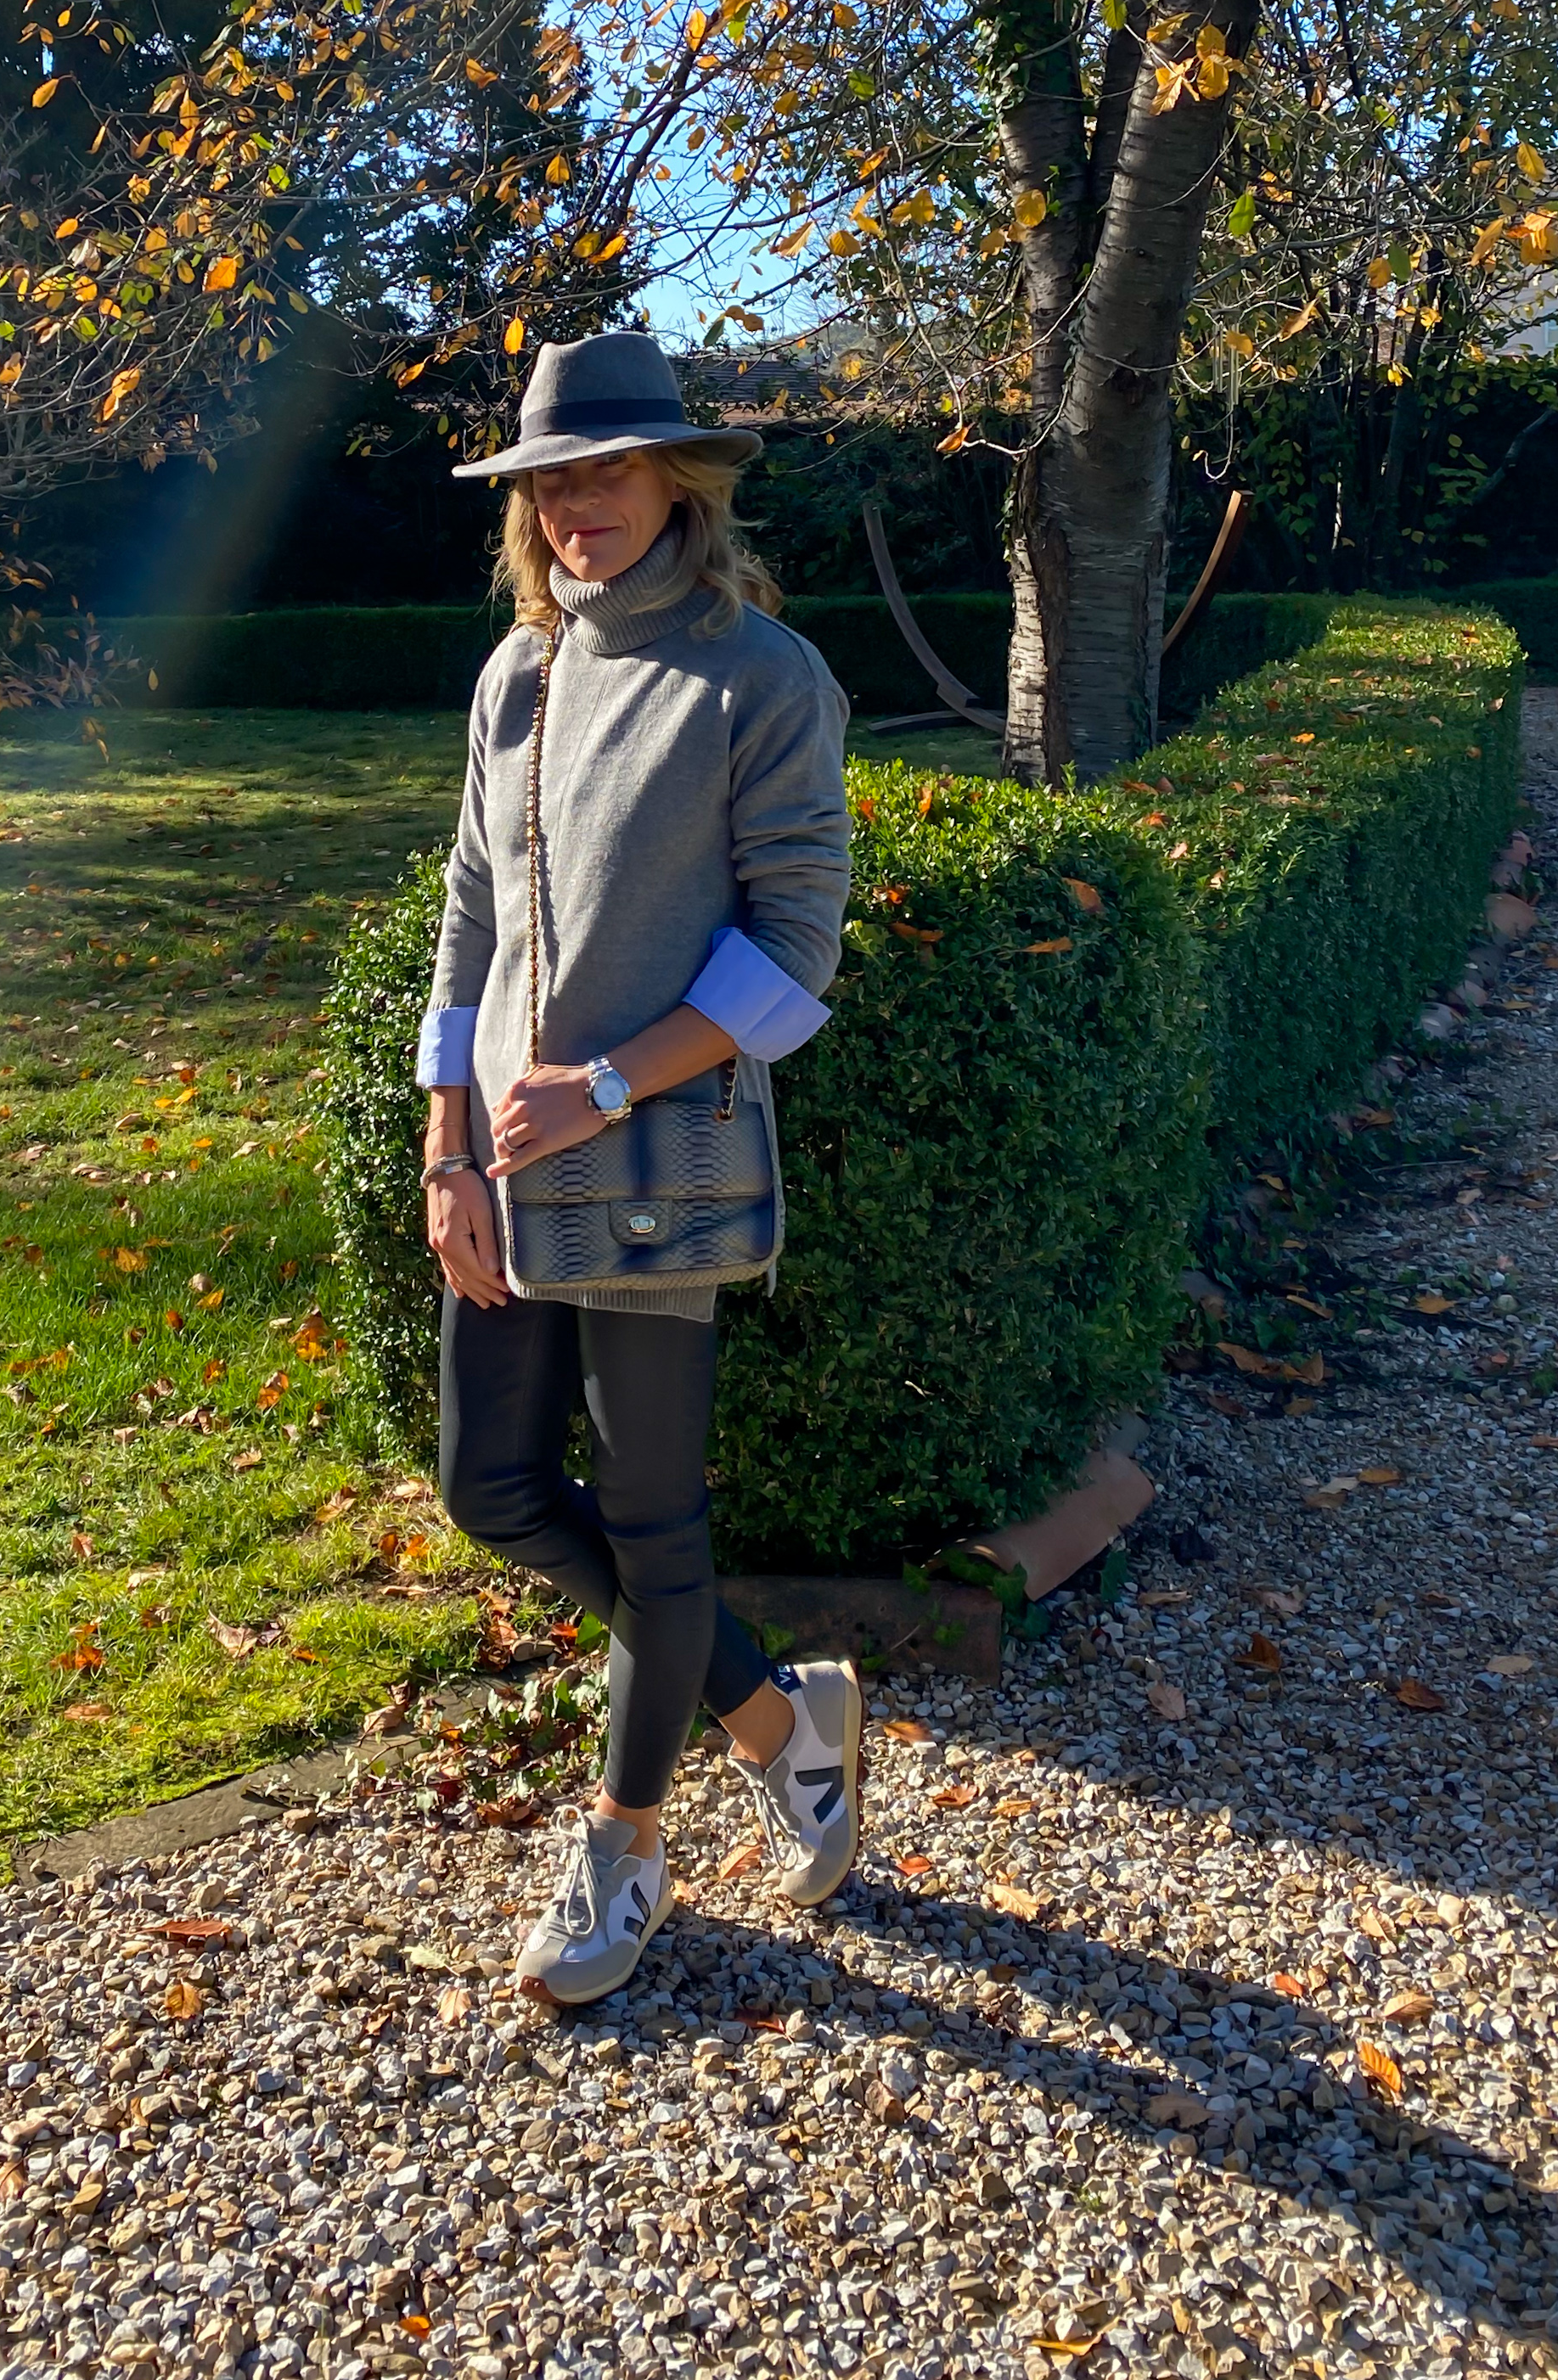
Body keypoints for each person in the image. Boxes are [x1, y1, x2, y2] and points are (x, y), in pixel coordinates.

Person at [417, 328, 858, 2006]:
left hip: (652, 1168)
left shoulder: (758, 677)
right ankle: (770, 1710)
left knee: (656, 1530)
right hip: (507, 1177)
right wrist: (446, 1145)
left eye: (601, 473)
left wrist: (595, 1085)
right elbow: (467, 921)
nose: (574, 510)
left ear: (677, 481)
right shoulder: (513, 677)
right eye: (547, 482)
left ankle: (624, 1851)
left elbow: (790, 956)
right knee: (493, 1489)